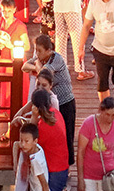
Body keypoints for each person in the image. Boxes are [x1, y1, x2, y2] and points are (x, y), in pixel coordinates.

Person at [24, 33, 77, 165]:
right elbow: (24, 67)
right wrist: (36, 65)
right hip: (51, 102)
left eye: (39, 51)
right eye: (36, 50)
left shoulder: (56, 59)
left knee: (67, 136)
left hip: (65, 102)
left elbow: (44, 73)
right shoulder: (40, 58)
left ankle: (68, 166)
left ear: (49, 50)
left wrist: (36, 66)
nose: (37, 53)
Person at [18, 122, 57, 191]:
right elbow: (16, 145)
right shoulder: (38, 148)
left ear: (35, 141)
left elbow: (44, 183)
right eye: (21, 140)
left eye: (26, 141)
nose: (23, 144)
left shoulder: (35, 161)